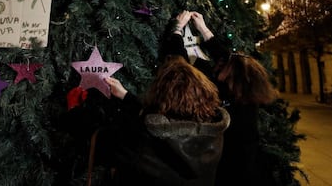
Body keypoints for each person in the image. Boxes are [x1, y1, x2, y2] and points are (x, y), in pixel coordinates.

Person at [159, 10, 280, 186]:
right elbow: (230, 60)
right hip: (251, 170)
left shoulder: (219, 94)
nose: (219, 63)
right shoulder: (246, 92)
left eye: (224, 66)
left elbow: (179, 69)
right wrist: (204, 30)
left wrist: (177, 30)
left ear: (232, 77)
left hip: (232, 174)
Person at [95, 54, 230, 186]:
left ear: (161, 99)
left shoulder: (143, 143)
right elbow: (162, 120)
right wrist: (126, 96)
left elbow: (104, 146)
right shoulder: (213, 134)